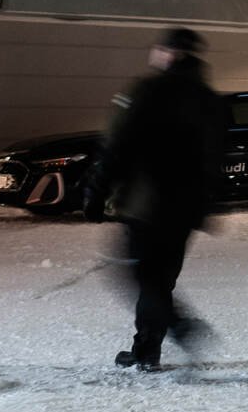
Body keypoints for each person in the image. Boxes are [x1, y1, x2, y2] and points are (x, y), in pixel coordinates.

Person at [81, 28, 227, 373]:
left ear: (170, 54)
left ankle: (178, 328)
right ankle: (147, 349)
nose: (155, 53)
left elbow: (118, 145)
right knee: (159, 280)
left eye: (159, 49)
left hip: (145, 204)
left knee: (142, 277)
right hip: (185, 208)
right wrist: (208, 205)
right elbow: (215, 157)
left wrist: (96, 193)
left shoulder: (148, 91)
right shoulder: (209, 99)